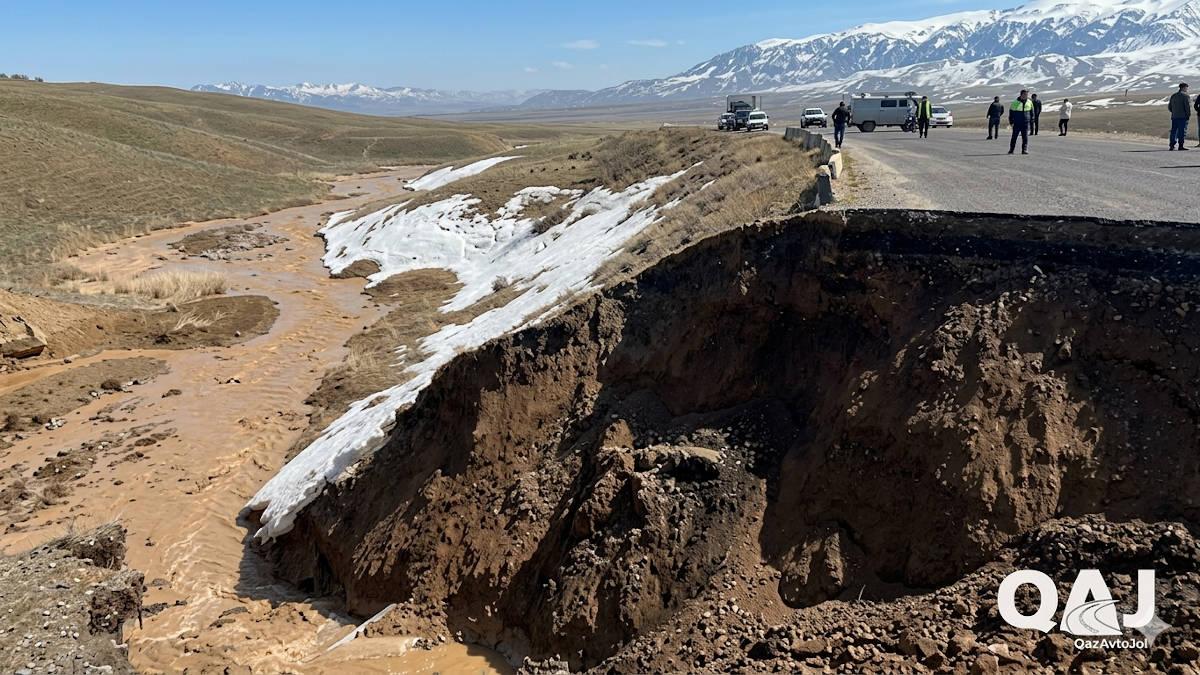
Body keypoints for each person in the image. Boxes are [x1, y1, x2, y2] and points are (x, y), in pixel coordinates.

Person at [1009, 89, 1033, 155]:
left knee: (1025, 137)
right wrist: (1011, 122)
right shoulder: (1015, 102)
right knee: (1014, 137)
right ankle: (1011, 150)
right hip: (1017, 123)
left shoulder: (1029, 102)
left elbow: (1031, 112)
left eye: (1027, 94)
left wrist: (1032, 120)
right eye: (1025, 94)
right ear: (1021, 94)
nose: (1026, 96)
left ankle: (1024, 150)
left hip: (1025, 122)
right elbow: (1011, 113)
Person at [1169, 82, 1191, 151]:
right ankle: (1180, 146)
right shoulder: (1185, 96)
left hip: (1174, 116)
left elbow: (1169, 107)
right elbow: (1187, 107)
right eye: (1186, 87)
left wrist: (1174, 112)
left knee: (1173, 131)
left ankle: (1172, 145)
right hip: (1182, 117)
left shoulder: (1173, 96)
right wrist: (1188, 115)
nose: (1187, 89)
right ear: (1183, 87)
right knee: (1182, 131)